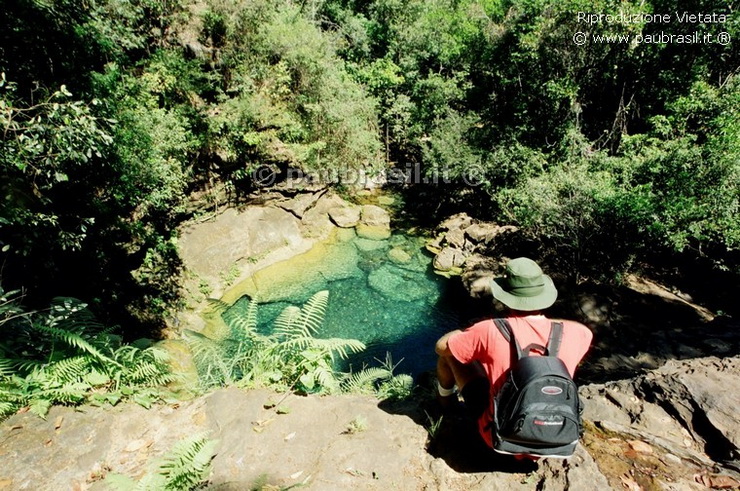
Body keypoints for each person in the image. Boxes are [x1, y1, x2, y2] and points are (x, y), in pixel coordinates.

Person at [435, 257, 593, 453]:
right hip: (557, 438)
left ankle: (444, 405)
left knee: (451, 356)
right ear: (543, 295)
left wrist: (463, 332)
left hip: (499, 437)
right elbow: (579, 330)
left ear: (505, 295)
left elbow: (441, 347)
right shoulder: (580, 333)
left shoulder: (489, 330)